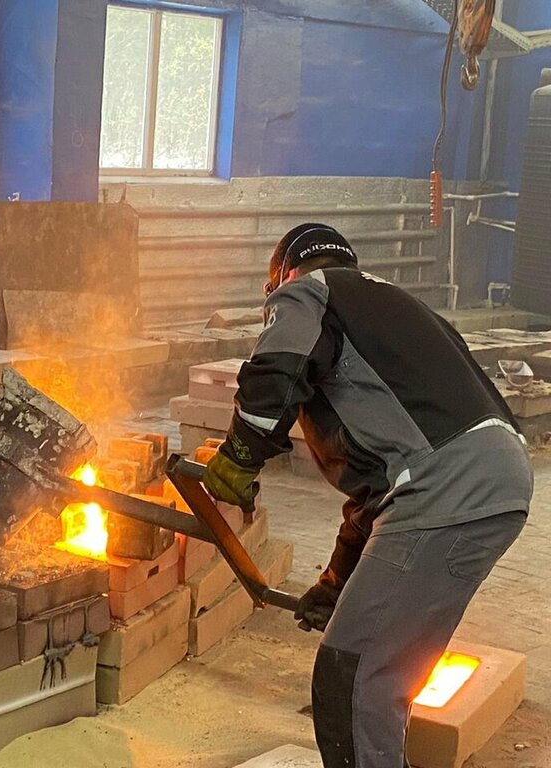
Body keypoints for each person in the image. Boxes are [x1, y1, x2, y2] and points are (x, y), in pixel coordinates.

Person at [200, 223, 532, 768]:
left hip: (445, 486)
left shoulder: (309, 291)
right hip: (495, 478)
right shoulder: (399, 310)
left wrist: (240, 454)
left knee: (354, 676)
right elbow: (379, 492)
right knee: (379, 667)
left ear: (283, 275)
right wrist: (336, 581)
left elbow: (277, 369)